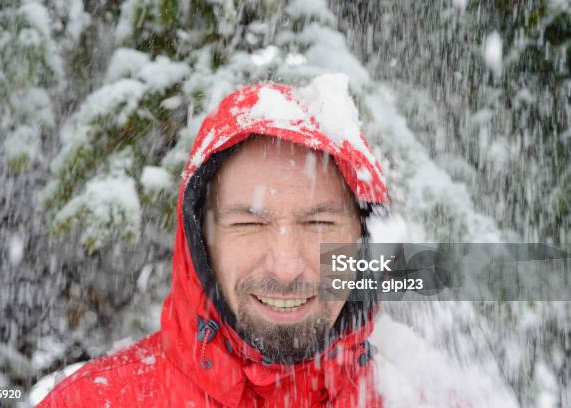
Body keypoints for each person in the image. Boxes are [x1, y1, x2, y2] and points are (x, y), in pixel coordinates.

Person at [37, 74, 388, 407]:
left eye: (319, 223)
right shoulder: (93, 402)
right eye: (248, 224)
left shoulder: (423, 392)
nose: (285, 268)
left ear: (363, 238)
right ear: (201, 242)